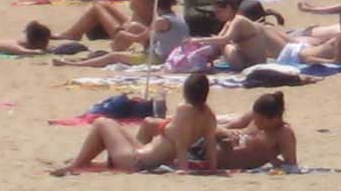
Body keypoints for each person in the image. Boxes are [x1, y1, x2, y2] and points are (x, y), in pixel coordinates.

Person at [51, 73, 217, 175]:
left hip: (138, 162)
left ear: (186, 92)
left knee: (101, 123)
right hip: (144, 156)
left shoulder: (184, 111)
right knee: (112, 125)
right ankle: (82, 161)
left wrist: (183, 169)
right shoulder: (209, 116)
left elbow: (181, 142)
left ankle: (75, 165)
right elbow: (210, 145)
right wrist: (213, 169)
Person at [52, 0, 189, 67]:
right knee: (133, 28)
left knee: (114, 57)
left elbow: (139, 38)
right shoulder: (178, 17)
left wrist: (123, 34)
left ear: (155, 4)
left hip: (159, 59)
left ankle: (73, 64)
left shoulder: (161, 21)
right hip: (173, 55)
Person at [216, 92, 297, 170]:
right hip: (219, 147)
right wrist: (229, 134)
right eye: (255, 118)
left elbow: (291, 167)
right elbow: (226, 127)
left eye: (261, 120)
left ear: (274, 119)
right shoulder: (255, 115)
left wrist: (268, 156)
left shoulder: (284, 133)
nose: (256, 122)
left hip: (228, 160)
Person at [187, 0, 269, 70]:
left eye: (219, 12)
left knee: (223, 44)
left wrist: (199, 40)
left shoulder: (239, 20)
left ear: (228, 8)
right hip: (247, 60)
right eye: (215, 13)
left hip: (254, 62)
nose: (217, 16)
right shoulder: (229, 22)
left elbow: (226, 39)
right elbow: (218, 38)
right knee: (216, 44)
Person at [276, 7, 341, 64]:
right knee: (281, 36)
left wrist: (313, 60)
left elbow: (337, 62)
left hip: (295, 56)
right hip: (301, 50)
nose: (340, 22)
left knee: (273, 34)